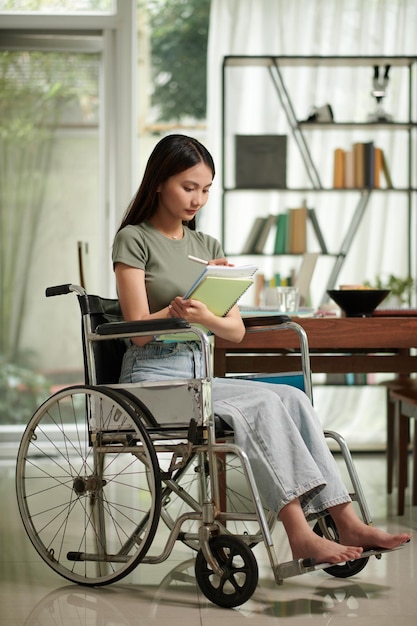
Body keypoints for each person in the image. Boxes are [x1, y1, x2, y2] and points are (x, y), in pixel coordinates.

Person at [112, 134, 410, 566]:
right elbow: (136, 332)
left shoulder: (207, 248)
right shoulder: (134, 239)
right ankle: (299, 533)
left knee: (291, 397)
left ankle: (345, 518)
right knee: (261, 402)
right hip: (152, 379)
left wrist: (205, 315)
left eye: (206, 188)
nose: (199, 198)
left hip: (198, 375)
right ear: (159, 182)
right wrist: (174, 313)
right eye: (189, 187)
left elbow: (233, 332)